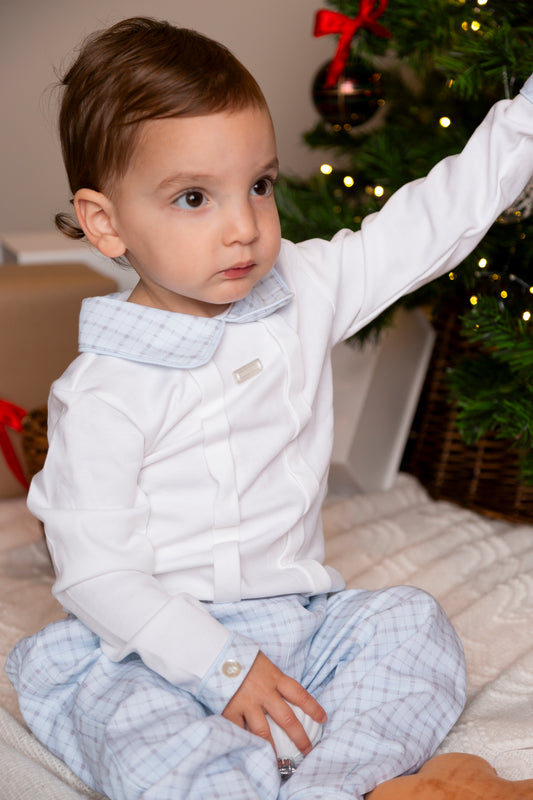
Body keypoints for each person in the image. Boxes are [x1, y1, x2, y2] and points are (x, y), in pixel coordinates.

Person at [6, 15, 533, 800]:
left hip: (302, 629)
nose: (244, 226)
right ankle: (240, 781)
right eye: (194, 197)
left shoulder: (303, 288)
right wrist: (221, 669)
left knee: (412, 626)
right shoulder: (102, 392)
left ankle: (326, 781)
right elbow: (97, 572)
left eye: (258, 185)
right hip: (153, 648)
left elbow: (426, 224)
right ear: (105, 223)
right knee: (112, 710)